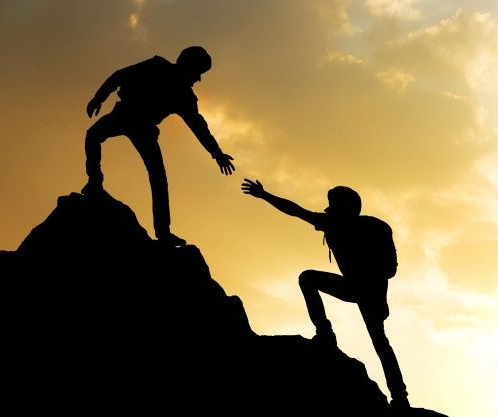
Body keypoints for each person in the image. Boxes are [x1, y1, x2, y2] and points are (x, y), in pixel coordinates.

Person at [241, 178, 410, 411]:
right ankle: (325, 333)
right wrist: (265, 195)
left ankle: (400, 397)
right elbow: (295, 211)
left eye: (333, 204)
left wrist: (371, 283)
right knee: (308, 278)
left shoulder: (375, 227)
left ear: (346, 207)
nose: (327, 208)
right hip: (355, 286)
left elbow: (390, 268)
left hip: (370, 292)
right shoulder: (332, 222)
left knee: (380, 342)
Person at [83, 46, 235, 246]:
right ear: (186, 64)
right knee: (93, 136)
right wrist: (98, 97)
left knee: (158, 176)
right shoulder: (157, 66)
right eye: (198, 72)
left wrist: (217, 153)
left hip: (144, 129)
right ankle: (95, 183)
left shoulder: (185, 97)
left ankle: (163, 232)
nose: (198, 79)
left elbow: (199, 127)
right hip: (125, 114)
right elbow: (120, 76)